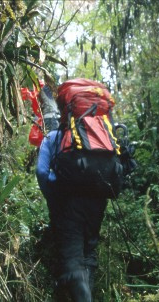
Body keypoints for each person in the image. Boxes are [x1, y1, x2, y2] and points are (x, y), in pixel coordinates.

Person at [36, 127, 108, 301]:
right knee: (89, 250)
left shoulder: (53, 136)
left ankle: (80, 293)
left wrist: (52, 196)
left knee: (73, 258)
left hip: (68, 203)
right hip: (97, 201)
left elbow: (41, 171)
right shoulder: (99, 133)